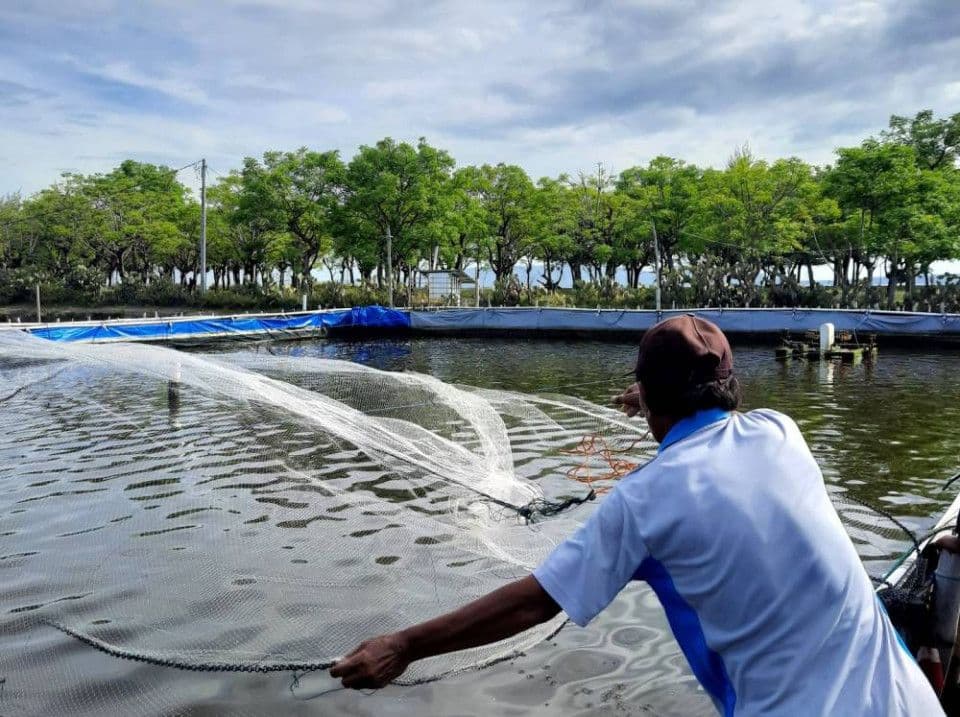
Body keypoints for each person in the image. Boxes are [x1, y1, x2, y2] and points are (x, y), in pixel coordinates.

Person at [331, 315, 943, 716]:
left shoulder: (643, 502)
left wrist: (405, 644)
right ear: (728, 383)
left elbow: (535, 601)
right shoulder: (782, 433)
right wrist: (655, 398)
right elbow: (720, 407)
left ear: (649, 397)